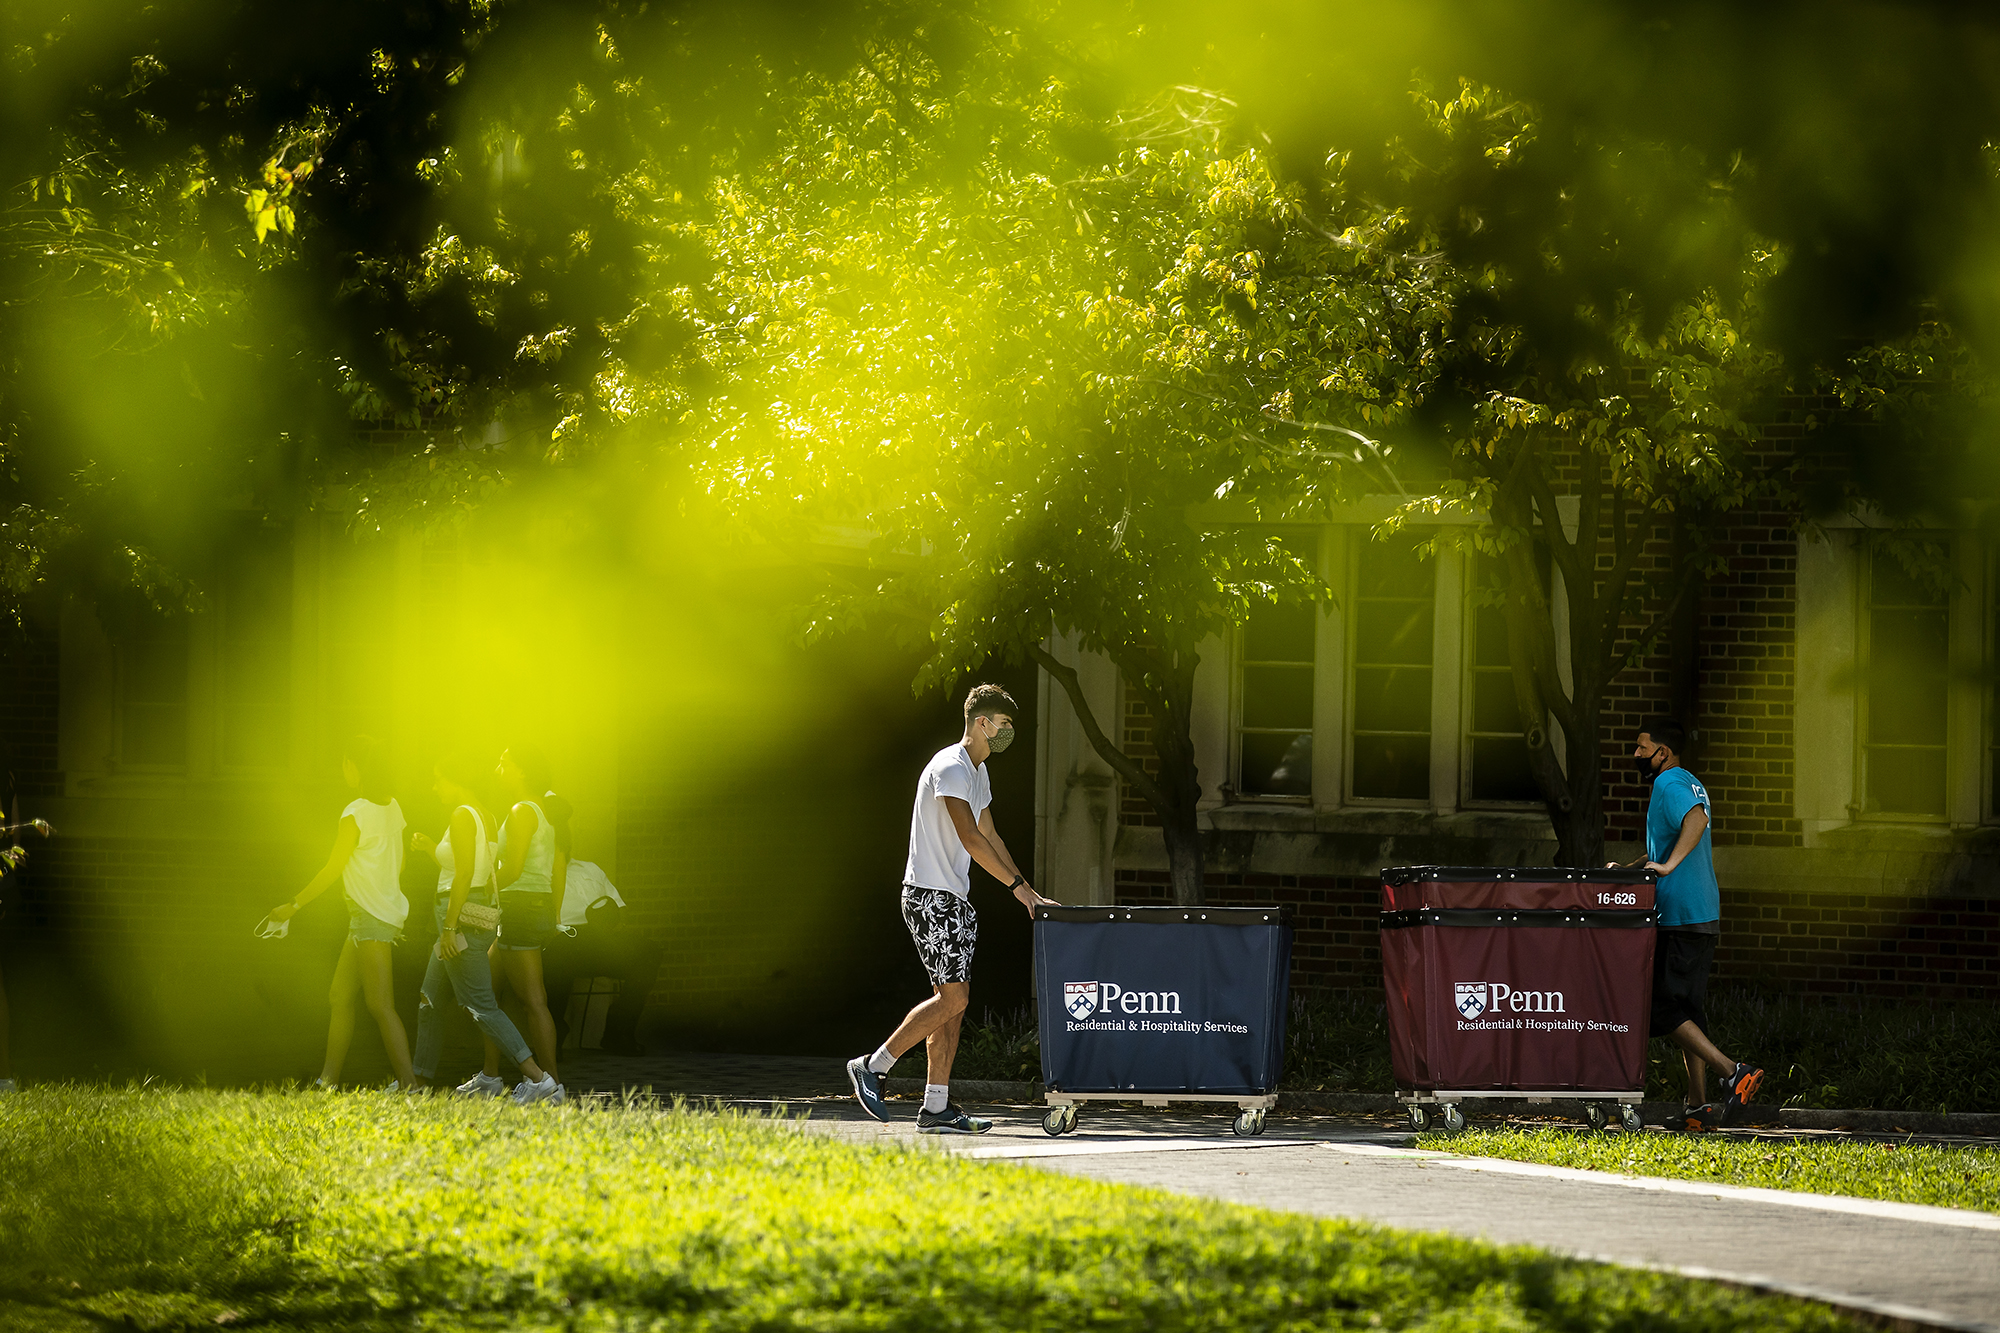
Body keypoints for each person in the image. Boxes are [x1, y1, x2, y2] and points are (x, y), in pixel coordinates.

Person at [847, 684, 1055, 1133]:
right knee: (954, 997)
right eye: (1004, 725)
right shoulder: (951, 767)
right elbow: (970, 838)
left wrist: (1031, 893)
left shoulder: (977, 774)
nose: (1007, 734)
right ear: (982, 722)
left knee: (952, 1007)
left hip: (954, 899)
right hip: (929, 896)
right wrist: (1016, 888)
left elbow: (992, 837)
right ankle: (873, 1065)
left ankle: (936, 1108)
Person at [1613, 717, 1765, 1132]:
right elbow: (1662, 850)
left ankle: (1733, 1071)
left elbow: (1696, 821)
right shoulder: (1689, 780)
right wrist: (1631, 869)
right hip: (1703, 914)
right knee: (1688, 1014)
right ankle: (1698, 1107)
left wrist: (1668, 866)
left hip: (1679, 915)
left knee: (1657, 1005)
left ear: (1663, 752)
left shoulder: (1669, 784)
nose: (1637, 755)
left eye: (1642, 748)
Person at [408, 755, 562, 1104]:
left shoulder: (464, 815)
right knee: (429, 998)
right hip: (465, 912)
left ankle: (539, 1079)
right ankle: (415, 1081)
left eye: (438, 779)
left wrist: (450, 925)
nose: (434, 787)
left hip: (459, 915)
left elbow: (465, 874)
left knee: (481, 1004)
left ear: (455, 779)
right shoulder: (488, 817)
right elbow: (473, 866)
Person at [266, 736, 417, 1091]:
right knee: (339, 995)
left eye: (346, 763)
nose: (343, 769)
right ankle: (327, 1080)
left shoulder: (354, 813)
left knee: (380, 1004)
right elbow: (401, 862)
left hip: (370, 917)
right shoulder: (392, 806)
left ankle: (410, 1085)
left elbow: (333, 869)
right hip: (370, 914)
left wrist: (293, 905)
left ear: (356, 767)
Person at [474, 746, 564, 1099]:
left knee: (533, 1000)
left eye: (505, 762)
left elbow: (513, 868)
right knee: (483, 994)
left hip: (521, 907)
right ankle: (490, 1075)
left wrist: (476, 889)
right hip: (526, 906)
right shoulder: (538, 809)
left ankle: (551, 1085)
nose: (498, 767)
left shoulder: (522, 811)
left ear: (522, 771)